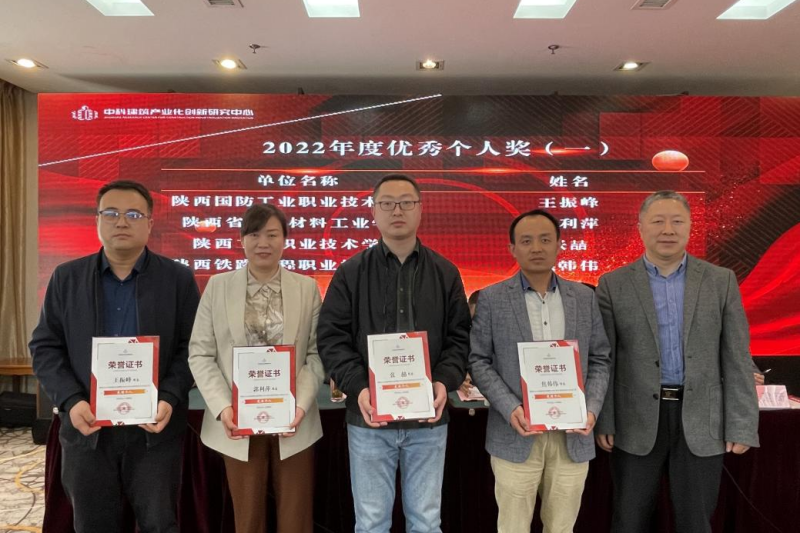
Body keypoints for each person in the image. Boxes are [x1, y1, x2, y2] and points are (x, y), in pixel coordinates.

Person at [29, 180, 199, 533]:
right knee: (92, 524)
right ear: (97, 220)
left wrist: (169, 397)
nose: (121, 222)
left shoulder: (177, 279)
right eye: (111, 213)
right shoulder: (67, 278)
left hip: (154, 431)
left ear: (150, 223)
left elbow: (193, 348)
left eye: (133, 214)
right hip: (88, 429)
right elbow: (45, 347)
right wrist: (72, 401)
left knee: (159, 523)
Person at [595, 190, 760, 533]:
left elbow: (736, 356)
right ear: (641, 227)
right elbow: (604, 360)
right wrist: (604, 419)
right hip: (634, 420)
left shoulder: (720, 281)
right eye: (658, 221)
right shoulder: (613, 284)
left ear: (690, 227)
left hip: (701, 419)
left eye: (677, 221)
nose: (667, 229)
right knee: (628, 521)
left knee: (695, 522)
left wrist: (742, 424)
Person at [317, 173, 471, 533]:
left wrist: (443, 382)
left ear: (420, 209)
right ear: (373, 211)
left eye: (406, 202)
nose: (397, 210)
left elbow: (460, 337)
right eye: (387, 203)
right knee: (371, 523)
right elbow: (331, 338)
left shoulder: (445, 272)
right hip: (368, 419)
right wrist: (359, 388)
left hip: (428, 420)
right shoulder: (350, 273)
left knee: (426, 523)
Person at [468, 209, 611, 533]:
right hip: (515, 432)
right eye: (526, 241)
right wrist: (511, 408)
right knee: (512, 527)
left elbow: (600, 359)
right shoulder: (491, 298)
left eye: (545, 240)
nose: (536, 248)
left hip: (572, 436)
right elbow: (478, 361)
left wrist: (591, 408)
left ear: (559, 246)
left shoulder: (585, 297)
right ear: (512, 249)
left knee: (561, 528)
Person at [189, 204, 324, 533]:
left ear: (285, 240)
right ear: (241, 240)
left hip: (294, 421)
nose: (263, 243)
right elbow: (200, 354)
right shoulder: (218, 286)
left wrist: (299, 406)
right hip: (237, 421)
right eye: (254, 234)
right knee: (247, 520)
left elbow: (316, 354)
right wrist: (224, 407)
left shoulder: (306, 288)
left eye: (272, 235)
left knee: (296, 519)